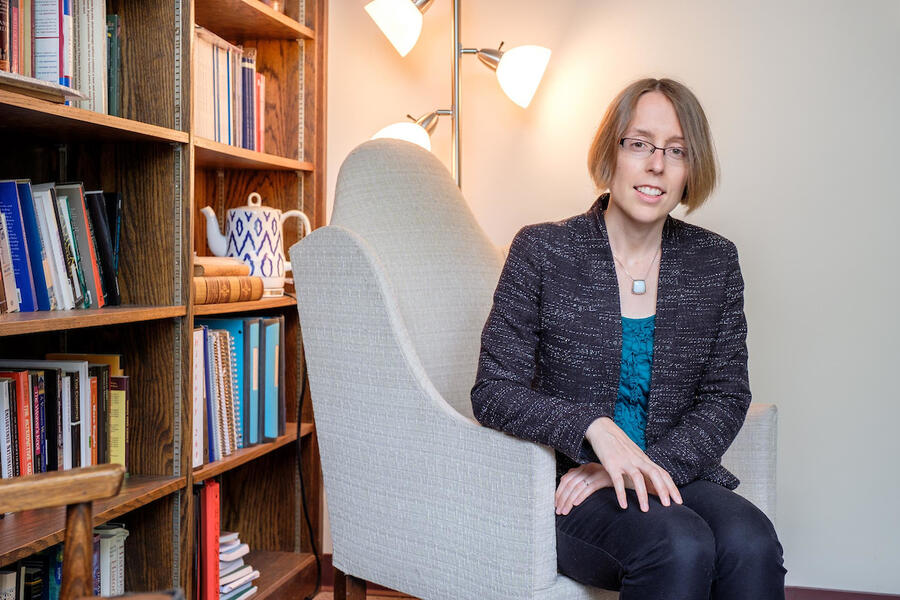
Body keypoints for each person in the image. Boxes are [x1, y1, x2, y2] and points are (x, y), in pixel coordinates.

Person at [470, 78, 786, 599]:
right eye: (639, 143)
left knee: (751, 542)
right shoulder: (543, 250)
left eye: (677, 151)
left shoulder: (715, 262)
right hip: (570, 486)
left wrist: (643, 465)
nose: (656, 164)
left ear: (691, 170)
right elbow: (494, 390)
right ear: (610, 151)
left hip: (674, 471)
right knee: (678, 544)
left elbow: (726, 396)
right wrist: (595, 431)